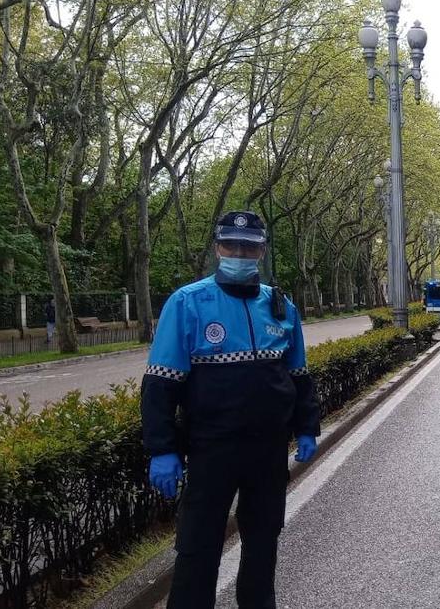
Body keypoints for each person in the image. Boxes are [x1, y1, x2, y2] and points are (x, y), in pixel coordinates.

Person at [142, 211, 320, 609]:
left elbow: (299, 375)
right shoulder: (188, 303)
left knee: (263, 540)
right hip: (211, 449)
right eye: (232, 245)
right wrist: (161, 448)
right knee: (198, 546)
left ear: (261, 252)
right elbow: (160, 383)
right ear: (218, 248)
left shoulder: (281, 306)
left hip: (268, 450)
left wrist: (307, 426)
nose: (239, 253)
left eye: (249, 247)